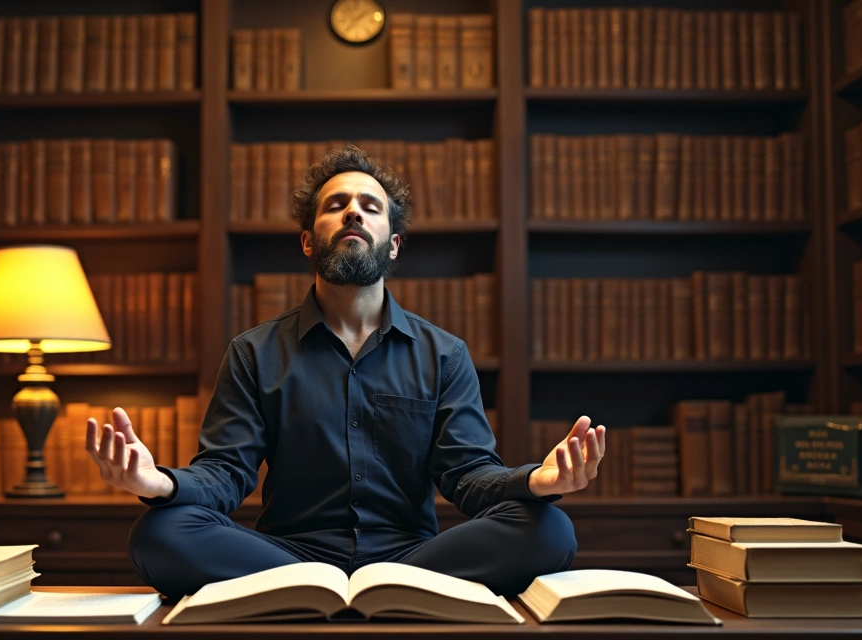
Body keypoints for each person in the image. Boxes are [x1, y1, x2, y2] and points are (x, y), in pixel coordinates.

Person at [85, 144, 607, 602]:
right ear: (310, 241)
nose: (353, 213)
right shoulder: (253, 353)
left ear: (393, 244)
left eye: (370, 207)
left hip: (412, 557)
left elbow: (468, 476)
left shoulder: (444, 354)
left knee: (549, 528)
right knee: (160, 531)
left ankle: (378, 587)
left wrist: (537, 481)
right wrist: (157, 483)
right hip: (286, 557)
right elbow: (226, 475)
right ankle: (320, 587)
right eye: (336, 206)